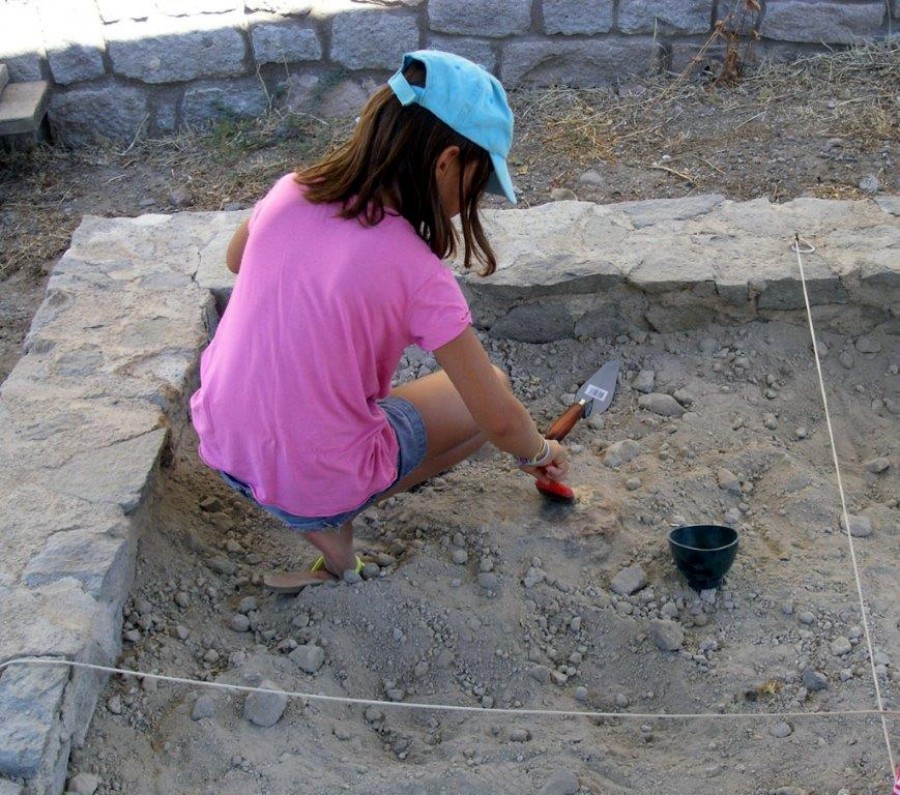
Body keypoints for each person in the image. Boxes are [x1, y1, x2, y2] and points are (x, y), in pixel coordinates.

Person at [189, 50, 569, 592]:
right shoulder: (416, 270)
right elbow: (501, 417)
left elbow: (234, 260)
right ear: (446, 162)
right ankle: (330, 523)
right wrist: (541, 452)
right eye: (477, 183)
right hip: (309, 481)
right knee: (489, 407)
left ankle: (324, 513)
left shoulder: (292, 189)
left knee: (445, 426)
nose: (471, 202)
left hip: (225, 442)